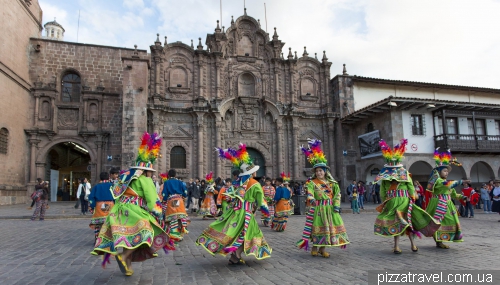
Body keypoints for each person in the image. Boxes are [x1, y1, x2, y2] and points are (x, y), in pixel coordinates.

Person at [91, 132, 175, 276]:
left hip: (119, 210)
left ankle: (127, 265)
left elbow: (116, 192)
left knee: (127, 238)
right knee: (147, 232)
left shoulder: (125, 176)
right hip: (134, 209)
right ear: (147, 171)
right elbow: (152, 201)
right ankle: (123, 257)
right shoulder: (146, 180)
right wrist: (159, 214)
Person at [197, 144, 272, 265]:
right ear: (252, 173)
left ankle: (234, 255)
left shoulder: (237, 184)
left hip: (235, 212)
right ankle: (236, 254)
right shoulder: (256, 184)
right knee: (249, 233)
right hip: (246, 213)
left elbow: (228, 195)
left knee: (236, 233)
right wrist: (267, 215)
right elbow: (262, 202)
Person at [374, 139, 440, 254]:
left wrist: (385, 201)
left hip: (394, 202)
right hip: (404, 201)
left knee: (398, 223)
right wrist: (413, 198)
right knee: (407, 223)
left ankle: (398, 246)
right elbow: (410, 188)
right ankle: (411, 245)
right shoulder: (404, 175)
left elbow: (383, 192)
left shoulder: (385, 177)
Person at [297, 139, 350, 258]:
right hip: (318, 208)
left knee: (329, 228)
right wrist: (311, 198)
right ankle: (315, 248)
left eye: (320, 170)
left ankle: (322, 249)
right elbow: (309, 192)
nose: (319, 173)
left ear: (325, 171)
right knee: (318, 227)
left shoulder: (332, 183)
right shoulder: (312, 183)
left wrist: (336, 205)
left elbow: (337, 194)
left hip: (330, 208)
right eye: (317, 171)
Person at [426, 148, 469, 249]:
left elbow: (453, 194)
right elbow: (447, 185)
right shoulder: (439, 182)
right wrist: (460, 182)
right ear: (439, 172)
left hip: (448, 204)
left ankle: (441, 239)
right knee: (440, 222)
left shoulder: (447, 183)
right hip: (439, 204)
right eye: (445, 171)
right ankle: (439, 241)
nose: (447, 173)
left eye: (447, 171)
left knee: (450, 221)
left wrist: (463, 196)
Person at [161, 169, 189, 241]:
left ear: (169, 175)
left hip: (172, 200)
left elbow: (164, 193)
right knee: (180, 217)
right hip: (179, 200)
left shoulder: (166, 182)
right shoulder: (180, 182)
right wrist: (184, 196)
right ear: (175, 175)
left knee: (173, 218)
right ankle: (180, 234)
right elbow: (185, 191)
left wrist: (164, 199)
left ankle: (174, 234)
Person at [88, 172, 114, 242]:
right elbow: (116, 196)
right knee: (109, 224)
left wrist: (92, 206)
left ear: (100, 178)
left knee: (98, 225)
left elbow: (91, 197)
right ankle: (109, 239)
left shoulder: (97, 186)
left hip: (99, 206)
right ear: (108, 178)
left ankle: (98, 240)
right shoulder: (112, 185)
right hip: (110, 205)